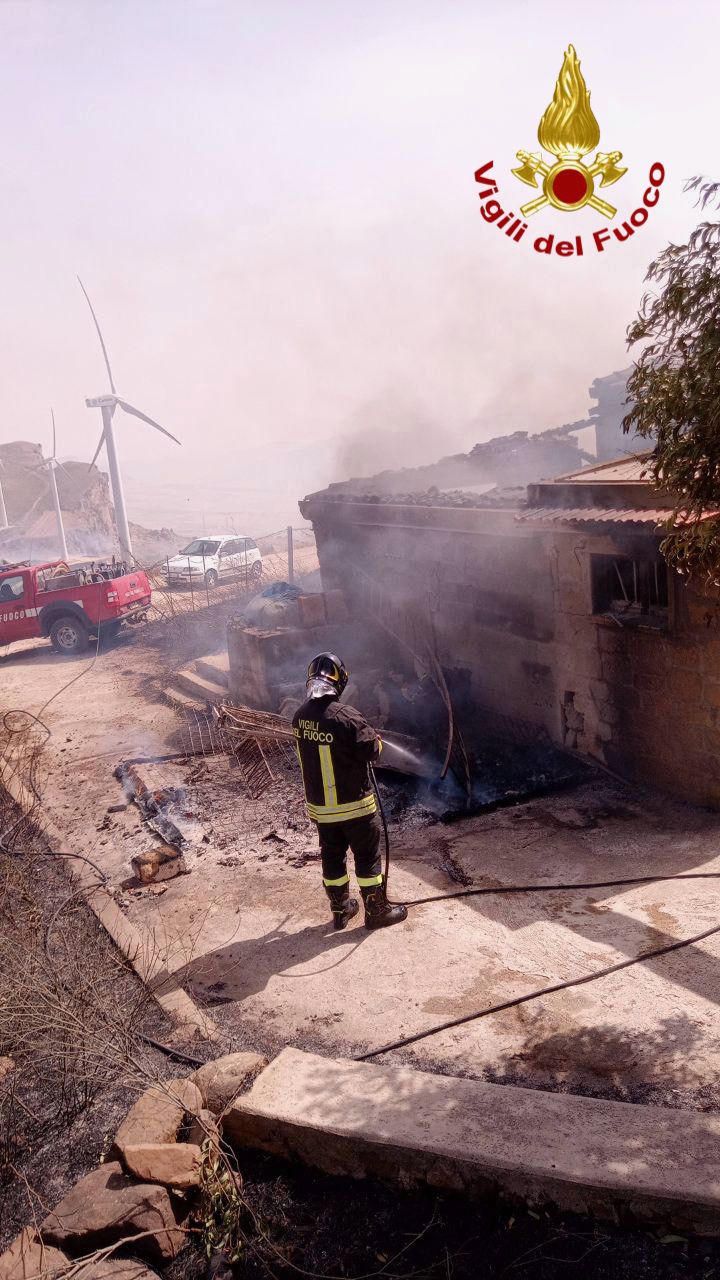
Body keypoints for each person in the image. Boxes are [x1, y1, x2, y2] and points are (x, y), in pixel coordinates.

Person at [292, 652, 408, 932]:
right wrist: (377, 742)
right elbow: (372, 752)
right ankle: (376, 912)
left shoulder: (300, 717)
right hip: (354, 806)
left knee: (332, 856)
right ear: (339, 682)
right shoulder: (347, 717)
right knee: (367, 858)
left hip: (321, 810)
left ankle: (340, 910)